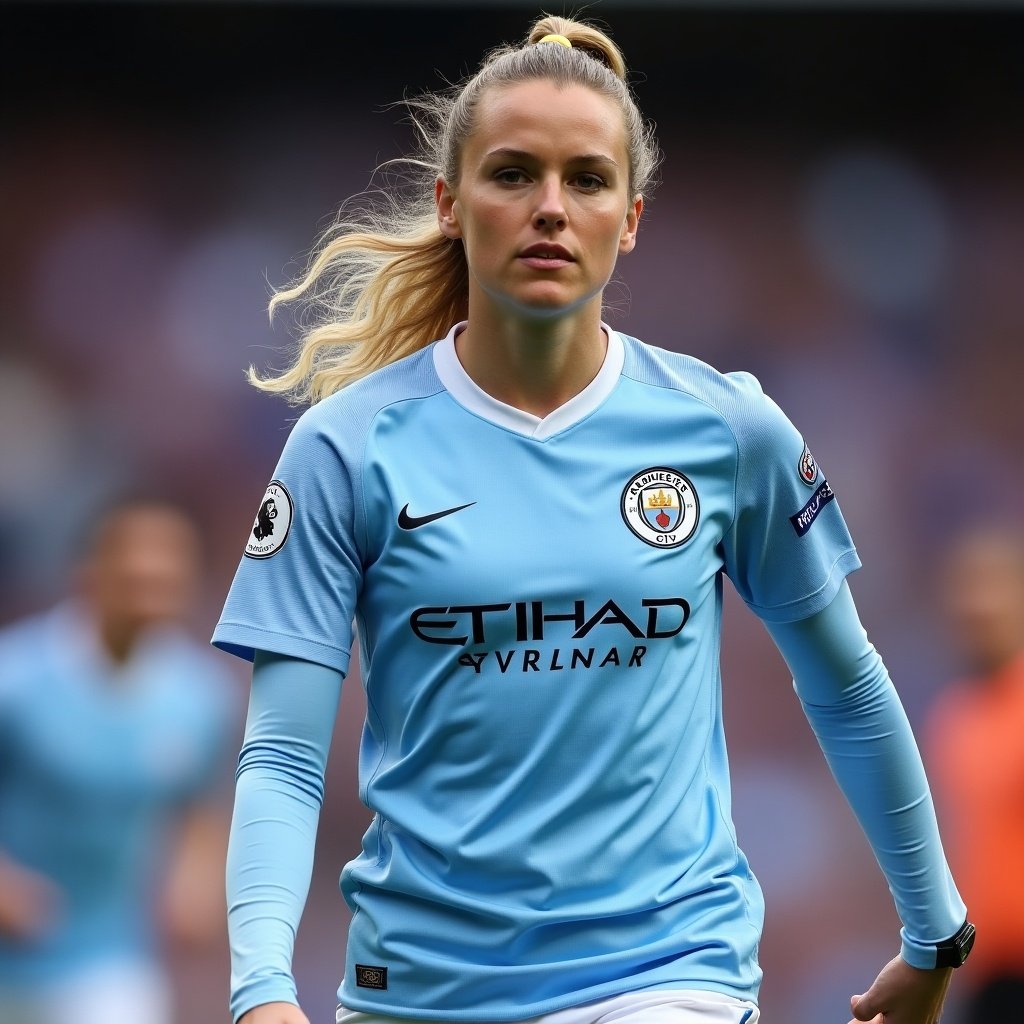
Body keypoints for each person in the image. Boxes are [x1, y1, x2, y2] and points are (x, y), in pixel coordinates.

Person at [213, 14, 973, 1024]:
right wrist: (262, 987)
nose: (549, 209)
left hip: (664, 971)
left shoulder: (725, 427)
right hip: (421, 988)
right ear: (449, 202)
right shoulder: (345, 447)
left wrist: (935, 931)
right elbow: (283, 753)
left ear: (631, 216)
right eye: (512, 173)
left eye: (586, 179)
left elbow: (844, 680)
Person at [0, 496, 236, 1024]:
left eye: (170, 563)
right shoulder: (14, 682)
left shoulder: (201, 698)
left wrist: (194, 880)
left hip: (107, 960)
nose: (153, 574)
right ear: (91, 571)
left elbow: (200, 806)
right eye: (137, 559)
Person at [926, 527, 1024, 1024]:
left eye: (992, 586)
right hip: (984, 968)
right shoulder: (953, 720)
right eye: (967, 589)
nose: (978, 605)